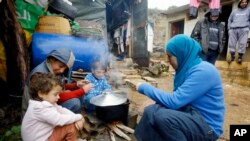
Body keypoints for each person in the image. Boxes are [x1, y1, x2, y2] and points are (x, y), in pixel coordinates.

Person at [134, 34, 225, 141]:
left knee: (164, 117)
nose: (167, 60)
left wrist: (144, 87)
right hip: (190, 113)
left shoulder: (204, 71)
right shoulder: (186, 70)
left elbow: (174, 101)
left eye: (170, 56)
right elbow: (177, 99)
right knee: (151, 110)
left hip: (207, 127)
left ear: (181, 53)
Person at [22, 48, 93, 115]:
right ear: (53, 59)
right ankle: (68, 122)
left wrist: (76, 85)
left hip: (48, 104)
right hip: (37, 112)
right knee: (74, 102)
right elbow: (58, 96)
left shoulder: (51, 69)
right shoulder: (40, 74)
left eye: (65, 69)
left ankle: (74, 118)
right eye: (60, 66)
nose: (62, 70)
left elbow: (58, 87)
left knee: (78, 91)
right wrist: (82, 90)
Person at [21, 73, 85, 141]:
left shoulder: (43, 103)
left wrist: (75, 116)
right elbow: (59, 120)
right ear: (41, 93)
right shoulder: (39, 108)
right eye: (55, 94)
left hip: (42, 136)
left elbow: (61, 109)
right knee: (70, 126)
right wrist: (79, 117)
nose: (58, 97)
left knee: (69, 121)